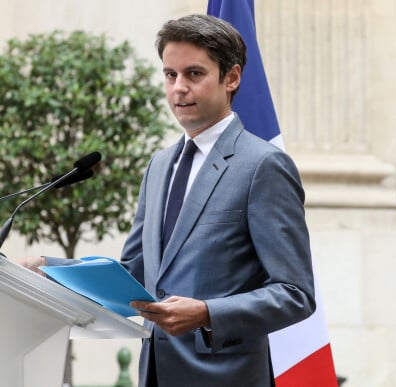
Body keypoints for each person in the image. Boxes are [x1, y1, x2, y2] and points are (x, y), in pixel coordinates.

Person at [22, 14, 315, 387]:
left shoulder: (264, 166)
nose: (179, 88)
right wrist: (50, 269)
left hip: (226, 377)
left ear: (232, 78)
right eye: (170, 75)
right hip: (156, 373)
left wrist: (208, 313)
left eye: (194, 74)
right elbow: (134, 273)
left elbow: (296, 294)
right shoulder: (159, 166)